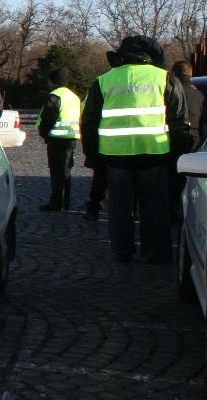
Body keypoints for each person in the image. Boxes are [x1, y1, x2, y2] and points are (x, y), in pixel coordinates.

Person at [81, 35, 191, 263]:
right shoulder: (165, 78)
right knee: (155, 205)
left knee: (119, 205)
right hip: (154, 153)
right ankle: (157, 251)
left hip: (116, 156)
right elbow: (179, 122)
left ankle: (122, 250)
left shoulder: (103, 80)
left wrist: (92, 157)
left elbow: (90, 123)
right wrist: (179, 158)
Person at [83, 50, 121, 221]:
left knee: (100, 181)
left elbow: (89, 121)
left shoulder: (103, 82)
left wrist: (90, 152)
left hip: (106, 145)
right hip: (144, 147)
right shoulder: (158, 78)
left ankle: (93, 208)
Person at [36, 68, 80, 211]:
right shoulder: (74, 97)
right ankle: (65, 201)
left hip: (56, 139)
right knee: (66, 171)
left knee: (56, 172)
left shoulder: (54, 96)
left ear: (53, 82)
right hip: (71, 138)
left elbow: (48, 118)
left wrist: (44, 133)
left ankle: (56, 203)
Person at [169, 60, 203, 223]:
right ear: (190, 74)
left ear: (174, 73)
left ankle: (172, 210)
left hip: (170, 140)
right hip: (195, 143)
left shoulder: (169, 90)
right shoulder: (199, 94)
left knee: (170, 179)